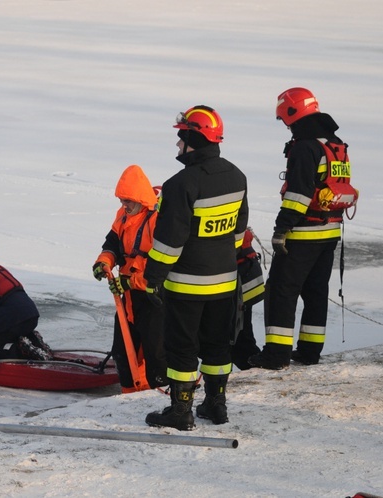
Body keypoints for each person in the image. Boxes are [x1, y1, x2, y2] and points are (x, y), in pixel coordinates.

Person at [143, 105, 249, 431]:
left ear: (193, 138)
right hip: (225, 282)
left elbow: (169, 242)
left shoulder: (180, 184)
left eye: (181, 138)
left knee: (182, 349)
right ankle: (216, 406)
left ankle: (180, 411)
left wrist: (152, 277)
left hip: (187, 285)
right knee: (218, 345)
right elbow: (239, 231)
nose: (177, 145)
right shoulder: (237, 176)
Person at [249, 87, 356, 369]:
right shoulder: (335, 144)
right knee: (316, 291)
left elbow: (298, 195)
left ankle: (276, 355)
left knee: (280, 291)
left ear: (291, 113)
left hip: (305, 233)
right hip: (330, 231)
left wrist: (281, 229)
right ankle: (309, 351)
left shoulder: (306, 147)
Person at [92, 164, 168, 393]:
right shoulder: (123, 216)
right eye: (121, 200)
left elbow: (163, 263)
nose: (123, 205)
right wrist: (103, 262)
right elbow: (112, 244)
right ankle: (129, 394)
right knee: (124, 349)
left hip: (153, 295)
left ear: (140, 199)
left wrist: (133, 281)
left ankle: (162, 395)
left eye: (128, 201)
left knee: (156, 349)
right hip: (126, 294)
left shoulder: (158, 220)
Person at [231, 229, 265, 370]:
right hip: (244, 268)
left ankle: (249, 363)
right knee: (240, 330)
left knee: (237, 332)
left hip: (239, 273)